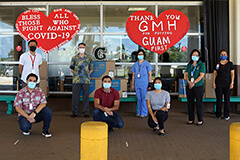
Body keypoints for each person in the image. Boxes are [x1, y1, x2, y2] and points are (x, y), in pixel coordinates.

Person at [14, 73, 52, 138]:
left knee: (47, 111)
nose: (32, 82)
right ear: (26, 81)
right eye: (30, 80)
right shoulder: (21, 92)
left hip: (36, 114)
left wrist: (34, 113)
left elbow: (43, 103)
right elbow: (17, 108)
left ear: (36, 82)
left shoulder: (40, 91)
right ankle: (26, 127)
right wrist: (28, 117)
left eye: (34, 81)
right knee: (25, 127)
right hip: (25, 115)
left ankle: (45, 130)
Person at [70, 42, 93, 118]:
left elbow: (91, 69)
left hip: (86, 80)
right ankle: (75, 112)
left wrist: (85, 75)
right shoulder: (74, 58)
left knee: (86, 96)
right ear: (78, 48)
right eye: (80, 47)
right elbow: (72, 68)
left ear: (85, 49)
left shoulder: (89, 58)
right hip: (76, 80)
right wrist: (77, 75)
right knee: (75, 97)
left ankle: (86, 112)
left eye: (83, 47)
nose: (81, 49)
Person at [185, 49, 206, 126]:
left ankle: (200, 119)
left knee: (199, 103)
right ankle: (191, 119)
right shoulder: (189, 65)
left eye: (196, 55)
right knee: (190, 103)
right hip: (189, 86)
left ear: (199, 56)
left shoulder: (201, 65)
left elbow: (201, 75)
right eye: (193, 55)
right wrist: (189, 82)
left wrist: (194, 82)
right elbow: (186, 74)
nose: (195, 56)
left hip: (198, 86)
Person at [213, 50, 235, 120]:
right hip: (218, 84)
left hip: (227, 84)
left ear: (227, 55)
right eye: (222, 54)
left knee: (227, 100)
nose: (223, 55)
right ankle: (218, 114)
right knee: (218, 99)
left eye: (224, 54)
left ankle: (226, 115)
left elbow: (232, 74)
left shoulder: (230, 64)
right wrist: (213, 82)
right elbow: (215, 74)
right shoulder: (217, 64)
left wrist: (232, 82)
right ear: (219, 56)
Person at [131, 49, 153, 117]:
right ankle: (139, 111)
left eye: (141, 54)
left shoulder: (147, 64)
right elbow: (133, 75)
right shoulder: (135, 64)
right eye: (139, 54)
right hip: (137, 83)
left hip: (144, 83)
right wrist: (132, 84)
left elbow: (150, 74)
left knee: (144, 98)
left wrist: (150, 83)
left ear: (144, 55)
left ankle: (144, 112)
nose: (140, 56)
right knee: (139, 98)